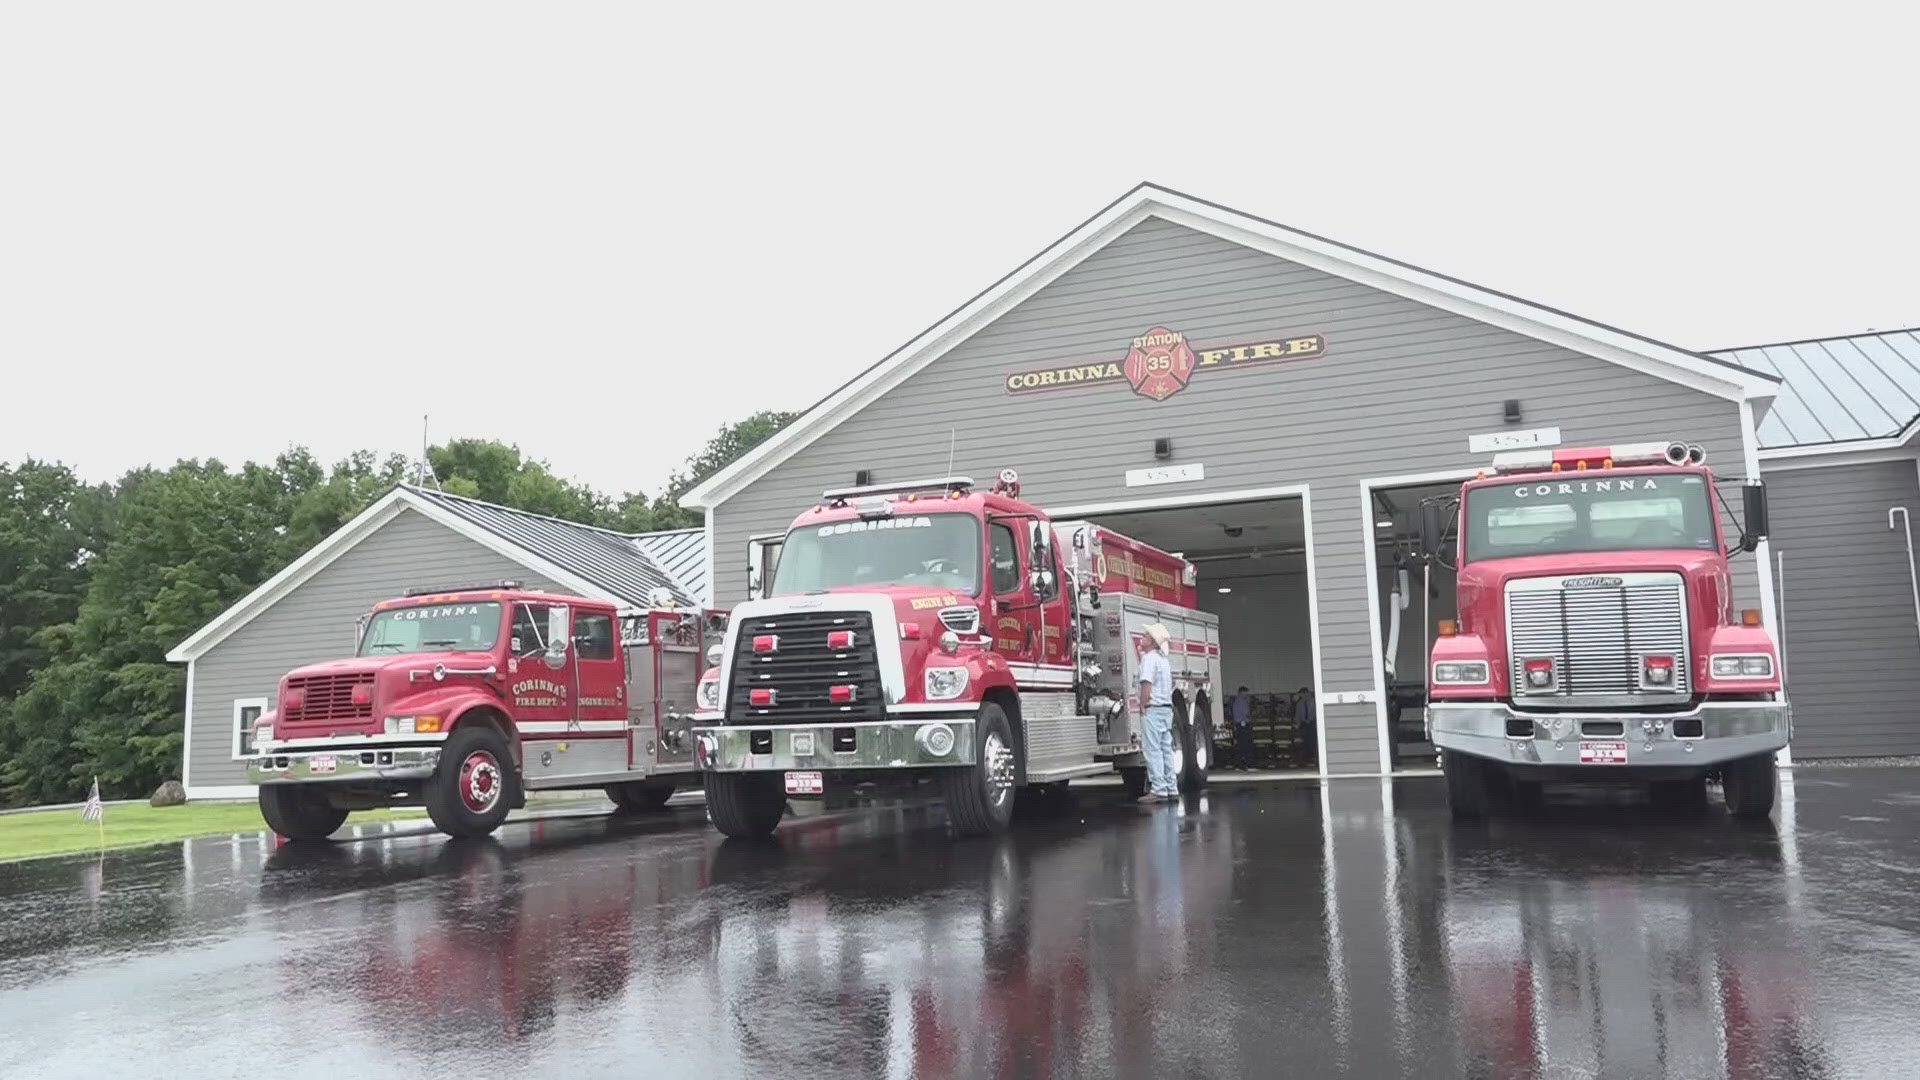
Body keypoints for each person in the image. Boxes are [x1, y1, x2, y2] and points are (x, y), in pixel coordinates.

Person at [1136, 623, 1178, 802]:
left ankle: (1158, 790)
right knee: (1166, 749)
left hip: (1153, 709)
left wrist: (1143, 704)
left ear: (1152, 641)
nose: (1141, 639)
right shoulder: (1163, 660)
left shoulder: (1149, 659)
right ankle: (1171, 788)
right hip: (1166, 709)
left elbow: (1146, 684)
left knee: (1152, 750)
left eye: (1145, 637)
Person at [1229, 685, 1255, 770]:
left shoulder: (1236, 702)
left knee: (1240, 745)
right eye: (1245, 693)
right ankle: (1246, 763)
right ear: (1241, 693)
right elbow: (1246, 713)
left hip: (1238, 725)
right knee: (1245, 745)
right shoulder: (1242, 702)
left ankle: (1239, 763)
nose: (1247, 695)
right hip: (1243, 725)